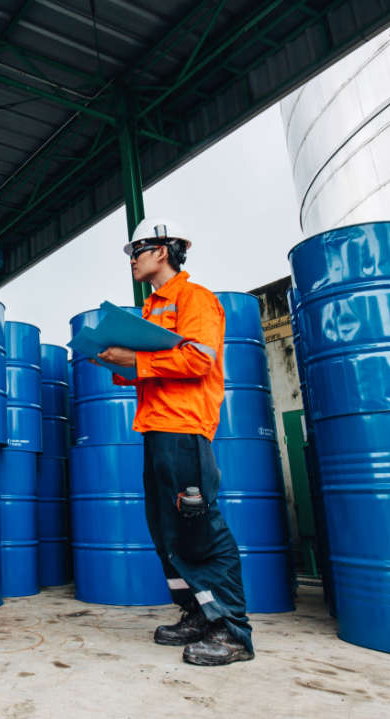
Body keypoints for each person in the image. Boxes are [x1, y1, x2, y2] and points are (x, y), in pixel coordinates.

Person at [95, 218, 254, 666]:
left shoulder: (193, 298)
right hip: (157, 427)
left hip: (184, 427)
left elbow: (199, 360)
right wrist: (116, 361)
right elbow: (150, 367)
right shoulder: (149, 311)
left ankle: (231, 631)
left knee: (199, 526)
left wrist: (138, 360)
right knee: (167, 530)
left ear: (161, 251)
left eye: (136, 250)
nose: (132, 259)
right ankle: (196, 614)